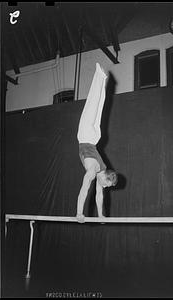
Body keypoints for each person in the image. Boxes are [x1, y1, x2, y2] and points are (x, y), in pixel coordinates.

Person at [76, 63, 118, 223]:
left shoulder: (103, 172)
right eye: (107, 184)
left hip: (94, 138)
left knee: (98, 106)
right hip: (86, 137)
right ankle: (98, 75)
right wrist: (79, 213)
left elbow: (99, 196)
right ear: (105, 178)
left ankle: (102, 78)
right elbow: (84, 190)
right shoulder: (94, 171)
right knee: (93, 104)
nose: (105, 187)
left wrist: (101, 215)